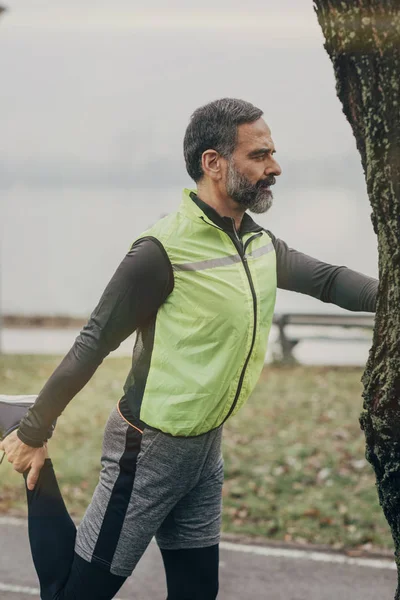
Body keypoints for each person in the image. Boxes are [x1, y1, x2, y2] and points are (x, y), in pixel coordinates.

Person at [0, 98, 378, 600]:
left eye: (272, 154)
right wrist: (34, 430)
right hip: (148, 451)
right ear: (214, 163)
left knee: (197, 593)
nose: (275, 167)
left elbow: (331, 281)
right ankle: (29, 449)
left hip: (204, 450)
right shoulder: (161, 252)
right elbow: (94, 342)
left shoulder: (258, 245)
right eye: (260, 155)